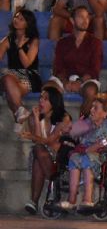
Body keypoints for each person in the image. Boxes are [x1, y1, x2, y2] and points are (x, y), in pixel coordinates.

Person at [57, 96, 107, 211]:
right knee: (74, 158)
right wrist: (75, 128)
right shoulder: (88, 123)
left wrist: (103, 142)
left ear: (105, 113)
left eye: (96, 108)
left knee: (87, 159)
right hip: (85, 152)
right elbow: (72, 133)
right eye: (92, 107)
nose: (91, 110)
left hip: (102, 156)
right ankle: (71, 201)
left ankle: (87, 200)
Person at [20, 86, 70, 215]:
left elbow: (50, 141)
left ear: (54, 102)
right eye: (40, 98)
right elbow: (38, 142)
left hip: (59, 159)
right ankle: (39, 198)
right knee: (38, 152)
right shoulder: (34, 116)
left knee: (38, 152)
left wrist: (32, 136)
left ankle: (35, 201)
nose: (41, 101)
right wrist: (37, 120)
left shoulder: (64, 118)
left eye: (45, 99)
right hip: (42, 156)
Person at [51, 6, 103, 100]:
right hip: (65, 79)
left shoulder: (95, 42)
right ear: (72, 20)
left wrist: (79, 82)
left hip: (86, 80)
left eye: (87, 17)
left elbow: (95, 69)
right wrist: (65, 82)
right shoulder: (62, 42)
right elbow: (58, 67)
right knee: (49, 88)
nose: (85, 20)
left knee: (90, 91)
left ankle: (85, 111)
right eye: (81, 17)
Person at [0, 9, 42, 123]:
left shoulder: (33, 40)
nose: (16, 20)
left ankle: (18, 116)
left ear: (27, 23)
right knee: (8, 80)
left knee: (8, 88)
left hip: (28, 75)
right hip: (12, 75)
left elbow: (27, 64)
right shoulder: (8, 39)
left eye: (21, 19)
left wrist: (19, 47)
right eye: (16, 17)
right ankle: (20, 110)